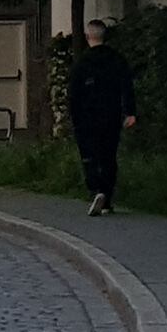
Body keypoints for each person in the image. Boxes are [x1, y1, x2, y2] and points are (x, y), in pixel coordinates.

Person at [66, 20, 137, 216]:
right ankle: (107, 197)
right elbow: (127, 86)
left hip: (86, 117)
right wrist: (130, 112)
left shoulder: (81, 62)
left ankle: (96, 189)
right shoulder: (116, 59)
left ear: (87, 36)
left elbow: (74, 94)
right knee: (108, 156)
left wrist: (73, 117)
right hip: (111, 114)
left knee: (89, 156)